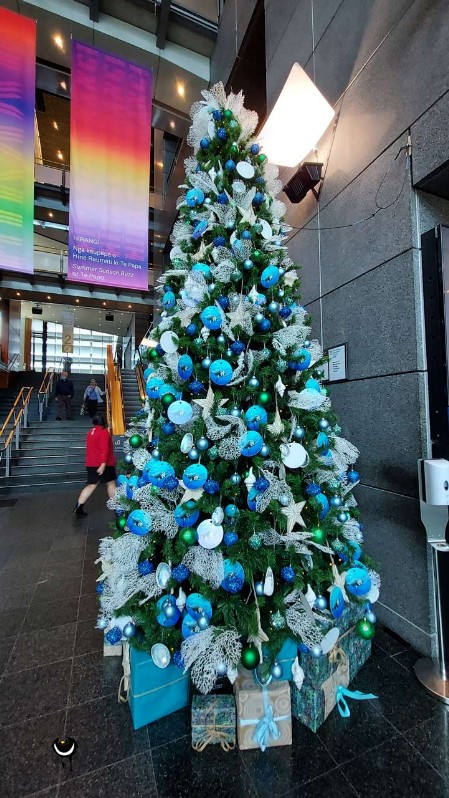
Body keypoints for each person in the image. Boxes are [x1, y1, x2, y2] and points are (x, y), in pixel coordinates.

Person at [73, 414, 116, 516]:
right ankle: (116, 507)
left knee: (91, 485)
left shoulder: (90, 433)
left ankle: (78, 507)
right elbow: (104, 450)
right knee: (111, 484)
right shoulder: (104, 432)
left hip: (91, 463)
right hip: (104, 464)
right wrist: (103, 464)